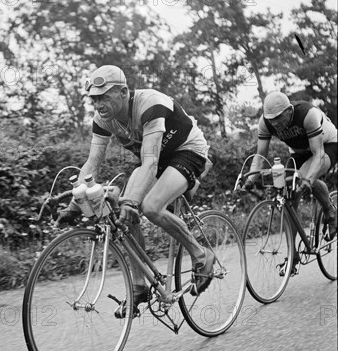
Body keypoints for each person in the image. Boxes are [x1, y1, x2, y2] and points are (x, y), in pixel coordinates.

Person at [57, 64, 213, 317]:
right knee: (123, 215)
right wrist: (76, 203)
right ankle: (139, 287)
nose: (98, 104)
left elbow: (149, 162)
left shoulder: (149, 103)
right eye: (94, 99)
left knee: (150, 207)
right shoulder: (103, 120)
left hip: (187, 151)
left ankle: (201, 254)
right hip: (156, 160)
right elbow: (92, 165)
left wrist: (131, 201)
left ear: (123, 92)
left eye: (104, 96)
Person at [244, 91, 337, 273]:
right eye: (271, 119)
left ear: (288, 110)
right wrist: (250, 178)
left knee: (302, 179)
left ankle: (330, 211)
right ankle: (292, 255)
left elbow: (318, 154)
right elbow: (260, 154)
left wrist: (308, 179)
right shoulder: (265, 123)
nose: (275, 123)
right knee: (289, 192)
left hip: (327, 145)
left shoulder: (307, 114)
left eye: (278, 118)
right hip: (299, 152)